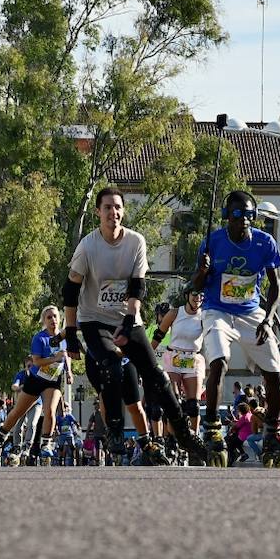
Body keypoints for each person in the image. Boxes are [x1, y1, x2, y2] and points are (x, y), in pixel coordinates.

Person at [63, 186, 207, 466]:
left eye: (117, 207)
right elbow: (70, 290)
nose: (113, 213)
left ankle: (183, 432)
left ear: (123, 211)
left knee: (156, 375)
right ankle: (115, 431)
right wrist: (70, 333)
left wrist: (130, 321)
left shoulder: (135, 242)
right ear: (98, 212)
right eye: (107, 208)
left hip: (128, 317)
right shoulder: (88, 247)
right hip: (95, 321)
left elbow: (137, 287)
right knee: (112, 367)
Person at [190, 190, 280, 466]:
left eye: (250, 215)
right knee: (219, 361)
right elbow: (195, 287)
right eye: (237, 214)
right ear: (226, 216)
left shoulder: (265, 243)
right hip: (217, 310)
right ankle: (212, 428)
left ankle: (272, 431)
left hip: (251, 313)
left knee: (274, 371)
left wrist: (268, 319)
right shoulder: (212, 242)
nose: (244, 220)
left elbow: (276, 286)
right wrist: (203, 272)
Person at [0, 306, 71, 465]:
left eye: (55, 316)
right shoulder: (40, 338)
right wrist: (54, 358)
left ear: (60, 318)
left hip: (54, 380)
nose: (53, 320)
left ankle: (46, 444)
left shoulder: (64, 337)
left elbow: (67, 355)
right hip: (37, 379)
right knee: (18, 411)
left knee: (50, 410)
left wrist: (69, 372)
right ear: (44, 321)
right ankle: (0, 436)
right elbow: (37, 361)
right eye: (49, 317)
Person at [153, 287, 206, 442]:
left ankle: (194, 440)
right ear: (187, 295)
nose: (198, 297)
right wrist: (146, 359)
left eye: (201, 294)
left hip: (193, 359)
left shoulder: (205, 315)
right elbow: (158, 336)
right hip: (173, 357)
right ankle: (171, 439)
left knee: (193, 406)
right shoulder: (175, 313)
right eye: (195, 293)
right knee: (173, 403)